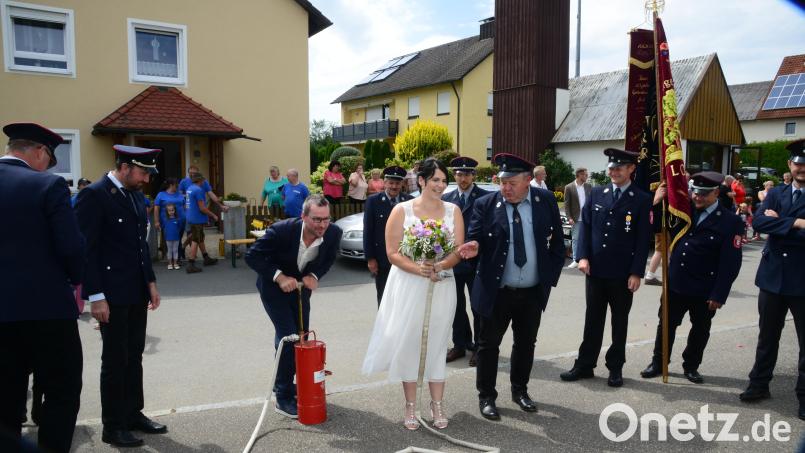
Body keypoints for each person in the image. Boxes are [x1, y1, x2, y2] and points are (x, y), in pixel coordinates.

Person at [363, 158, 472, 430]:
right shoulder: (402, 210)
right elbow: (392, 253)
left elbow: (458, 249)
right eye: (435, 180)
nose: (441, 185)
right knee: (410, 343)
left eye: (444, 180)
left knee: (437, 343)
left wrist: (441, 265)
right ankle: (411, 405)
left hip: (442, 284)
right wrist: (420, 268)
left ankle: (437, 404)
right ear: (421, 181)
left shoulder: (453, 210)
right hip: (409, 284)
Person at [0, 123, 84, 453]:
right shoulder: (47, 186)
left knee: (5, 397)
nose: (49, 167)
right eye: (49, 159)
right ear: (38, 151)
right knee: (61, 391)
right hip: (46, 309)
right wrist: (71, 279)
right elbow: (72, 248)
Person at [75, 145, 166, 448]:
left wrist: (150, 282)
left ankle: (132, 413)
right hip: (110, 293)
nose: (145, 179)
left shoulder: (135, 195)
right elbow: (85, 250)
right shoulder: (95, 195)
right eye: (142, 172)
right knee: (115, 360)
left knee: (134, 355)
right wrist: (96, 296)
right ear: (124, 167)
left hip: (135, 290)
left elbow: (140, 246)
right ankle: (112, 426)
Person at [464, 153, 565, 421]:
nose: (505, 188)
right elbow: (474, 238)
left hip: (532, 292)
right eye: (502, 182)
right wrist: (473, 246)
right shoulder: (485, 204)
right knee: (487, 346)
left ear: (528, 181)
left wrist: (549, 278)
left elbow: (557, 243)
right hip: (496, 292)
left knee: (525, 344)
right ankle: (486, 396)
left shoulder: (544, 201)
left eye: (512, 182)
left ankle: (520, 391)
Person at [560, 148, 652, 388]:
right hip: (596, 271)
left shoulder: (641, 199)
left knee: (619, 322)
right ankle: (585, 364)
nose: (613, 171)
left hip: (623, 274)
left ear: (631, 169)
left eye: (619, 167)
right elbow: (587, 228)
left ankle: (615, 367)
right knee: (593, 320)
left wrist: (636, 272)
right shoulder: (597, 193)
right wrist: (582, 257)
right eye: (611, 168)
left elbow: (643, 240)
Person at [640, 172, 743, 383]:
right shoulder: (683, 211)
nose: (697, 197)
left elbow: (731, 263)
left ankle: (691, 365)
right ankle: (659, 362)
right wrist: (656, 202)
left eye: (703, 194)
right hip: (676, 283)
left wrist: (719, 294)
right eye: (695, 192)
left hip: (705, 288)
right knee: (666, 325)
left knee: (700, 330)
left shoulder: (730, 222)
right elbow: (653, 227)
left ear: (716, 192)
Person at [244, 195, 341, 419]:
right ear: (303, 216)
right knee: (289, 338)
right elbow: (253, 256)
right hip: (273, 288)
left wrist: (315, 275)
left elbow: (328, 259)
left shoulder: (334, 232)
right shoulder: (281, 230)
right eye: (317, 219)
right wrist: (279, 277)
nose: (322, 225)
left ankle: (286, 384)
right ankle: (283, 397)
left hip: (300, 291)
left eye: (326, 219)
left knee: (301, 338)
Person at [739, 138, 805, 420]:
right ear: (790, 165)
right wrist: (798, 223)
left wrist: (779, 223)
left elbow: (770, 225)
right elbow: (759, 223)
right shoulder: (776, 193)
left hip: (802, 280)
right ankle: (759, 384)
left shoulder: (775, 201)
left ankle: (804, 397)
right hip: (772, 278)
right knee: (767, 336)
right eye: (799, 164)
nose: (802, 168)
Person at [442, 157, 489, 367]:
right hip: (454, 261)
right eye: (460, 174)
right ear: (454, 176)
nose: (463, 178)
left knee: (478, 306)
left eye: (467, 174)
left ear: (474, 176)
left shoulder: (486, 197)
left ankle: (480, 347)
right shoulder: (447, 198)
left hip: (477, 262)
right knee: (455, 306)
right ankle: (460, 344)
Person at [363, 166, 414, 305]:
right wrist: (370, 259)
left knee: (404, 296)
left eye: (397, 183)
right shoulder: (373, 201)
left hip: (405, 258)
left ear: (402, 184)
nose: (394, 186)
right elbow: (368, 231)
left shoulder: (409, 201)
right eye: (391, 182)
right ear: (384, 183)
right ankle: (384, 326)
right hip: (382, 259)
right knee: (384, 296)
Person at [185, 173, 219, 273]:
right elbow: (202, 208)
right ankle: (191, 264)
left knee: (200, 238)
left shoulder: (190, 188)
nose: (204, 181)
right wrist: (213, 215)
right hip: (197, 219)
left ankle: (206, 257)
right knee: (196, 239)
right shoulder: (198, 190)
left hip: (191, 217)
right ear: (200, 180)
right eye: (203, 180)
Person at [563, 167, 591, 268]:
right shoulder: (569, 187)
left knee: (588, 238)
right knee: (575, 239)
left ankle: (586, 258)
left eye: (587, 175)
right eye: (585, 175)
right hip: (575, 218)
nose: (587, 176)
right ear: (579, 175)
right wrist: (569, 217)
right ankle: (575, 259)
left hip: (587, 217)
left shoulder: (588, 186)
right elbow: (566, 204)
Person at [153, 178, 185, 264]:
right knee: (170, 239)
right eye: (176, 185)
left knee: (178, 239)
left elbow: (184, 205)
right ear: (171, 185)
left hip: (180, 221)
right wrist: (156, 221)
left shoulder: (179, 194)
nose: (178, 186)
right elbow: (156, 208)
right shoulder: (161, 195)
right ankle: (170, 258)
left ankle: (176, 258)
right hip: (167, 222)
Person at [644, 186, 669, 286]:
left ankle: (653, 275)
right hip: (661, 227)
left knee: (664, 251)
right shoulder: (659, 193)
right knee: (660, 251)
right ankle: (650, 275)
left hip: (662, 226)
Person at [162, 204, 182, 270]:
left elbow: (179, 228)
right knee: (169, 250)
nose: (171, 212)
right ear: (167, 211)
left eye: (172, 210)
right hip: (168, 238)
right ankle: (170, 263)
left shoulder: (178, 219)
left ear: (175, 210)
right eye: (169, 210)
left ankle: (175, 263)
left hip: (176, 238)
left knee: (175, 250)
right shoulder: (165, 219)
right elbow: (164, 228)